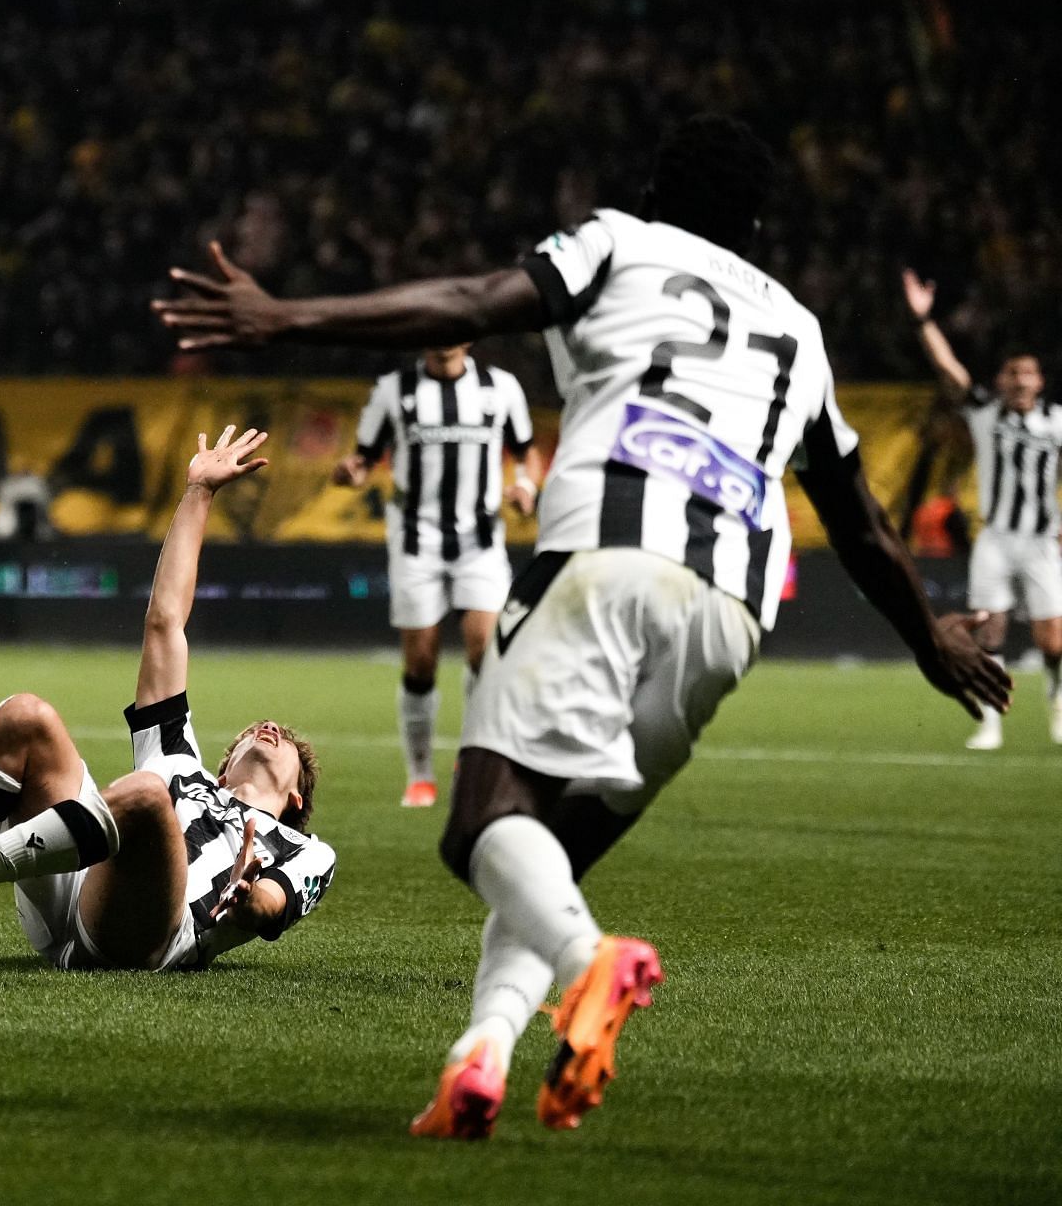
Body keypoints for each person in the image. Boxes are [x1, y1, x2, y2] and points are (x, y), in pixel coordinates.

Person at [154, 116, 1009, 1137]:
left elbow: (476, 302)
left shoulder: (619, 243)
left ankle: (588, 965)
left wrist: (284, 317)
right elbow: (862, 521)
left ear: (655, 189)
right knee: (541, 855)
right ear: (757, 219)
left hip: (604, 564)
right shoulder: (803, 333)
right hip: (733, 615)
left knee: (483, 826)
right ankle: (477, 1065)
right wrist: (930, 641)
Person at [0, 426, 336, 973]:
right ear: (222, 769)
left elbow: (275, 906)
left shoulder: (302, 849)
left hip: (144, 937)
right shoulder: (179, 761)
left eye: (284, 737)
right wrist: (199, 493)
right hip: (73, 891)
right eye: (254, 730)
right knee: (25, 715)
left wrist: (250, 898)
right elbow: (165, 624)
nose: (268, 729)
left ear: (296, 798)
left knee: (148, 796)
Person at [338, 342, 541, 806]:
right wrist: (353, 472)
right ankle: (421, 774)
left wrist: (525, 485)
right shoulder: (395, 390)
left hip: (481, 540)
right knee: (421, 661)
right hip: (416, 540)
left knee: (484, 653)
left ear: (469, 336)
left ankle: (472, 761)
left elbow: (527, 452)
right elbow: (364, 457)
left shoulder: (500, 387)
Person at [901, 269, 1062, 747]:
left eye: (1027, 373)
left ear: (1039, 381)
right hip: (995, 538)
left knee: (1053, 641)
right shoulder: (985, 413)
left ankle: (1056, 707)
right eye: (1011, 373)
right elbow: (950, 370)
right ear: (1000, 379)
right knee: (988, 632)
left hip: (1041, 540)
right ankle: (991, 721)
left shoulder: (1056, 423)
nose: (1019, 380)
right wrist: (923, 321)